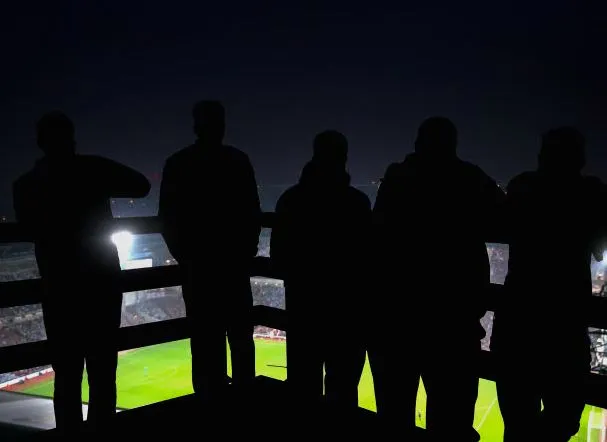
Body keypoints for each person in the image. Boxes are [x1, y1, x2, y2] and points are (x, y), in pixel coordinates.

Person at [13, 111, 150, 433]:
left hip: (58, 287)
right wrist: (93, 168)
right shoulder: (92, 169)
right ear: (72, 139)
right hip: (101, 284)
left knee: (67, 376)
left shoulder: (26, 184)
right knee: (103, 373)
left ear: (39, 142)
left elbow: (28, 226)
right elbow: (141, 185)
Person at [370, 117, 505, 440]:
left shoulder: (397, 176)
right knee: (451, 421)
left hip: (398, 317)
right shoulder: (470, 178)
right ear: (453, 144)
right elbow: (503, 211)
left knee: (394, 416)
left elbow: (378, 235)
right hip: (453, 321)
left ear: (418, 142)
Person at [492, 127, 605, 441]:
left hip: (518, 322)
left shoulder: (522, 186)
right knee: (563, 419)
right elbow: (598, 245)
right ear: (580, 159)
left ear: (542, 156)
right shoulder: (591, 193)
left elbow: (502, 223)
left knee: (517, 423)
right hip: (564, 327)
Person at [159, 101, 261, 400]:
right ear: (223, 125)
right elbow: (252, 213)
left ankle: (208, 408)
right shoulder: (237, 161)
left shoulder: (179, 163)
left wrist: (187, 258)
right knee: (241, 341)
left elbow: (167, 218)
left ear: (195, 125)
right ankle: (244, 402)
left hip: (198, 271)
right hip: (233, 268)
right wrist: (244, 253)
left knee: (205, 344)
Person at [271, 130, 371, 409]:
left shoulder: (290, 201)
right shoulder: (357, 203)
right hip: (347, 312)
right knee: (343, 391)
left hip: (304, 309)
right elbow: (367, 259)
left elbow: (278, 257)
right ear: (344, 158)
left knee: (304, 389)